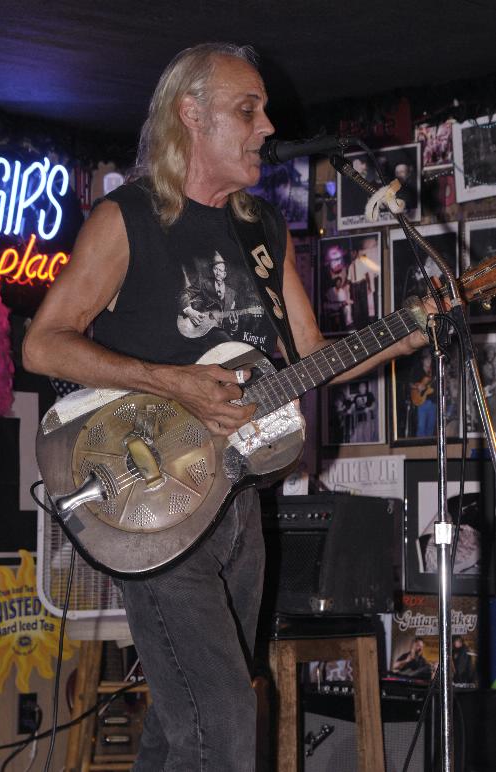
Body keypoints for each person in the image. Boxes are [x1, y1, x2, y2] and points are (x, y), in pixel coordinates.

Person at [23, 42, 429, 771]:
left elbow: (310, 357)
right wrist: (170, 381)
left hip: (239, 502)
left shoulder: (262, 229)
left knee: (184, 718)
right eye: (248, 110)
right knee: (222, 718)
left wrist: (401, 335)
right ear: (191, 114)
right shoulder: (127, 218)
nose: (267, 126)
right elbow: (43, 345)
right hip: (151, 502)